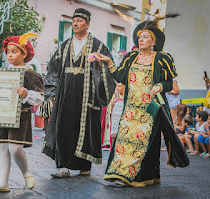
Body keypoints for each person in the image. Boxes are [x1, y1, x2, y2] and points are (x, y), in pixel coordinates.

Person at [88, 14, 189, 187]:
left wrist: (159, 86)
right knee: (124, 141)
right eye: (140, 37)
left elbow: (168, 82)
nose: (141, 40)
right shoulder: (131, 57)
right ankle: (120, 173)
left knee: (144, 143)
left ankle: (141, 177)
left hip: (151, 108)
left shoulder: (162, 58)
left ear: (153, 41)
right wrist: (109, 61)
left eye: (146, 37)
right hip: (131, 108)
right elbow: (120, 76)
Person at [42, 8, 116, 178]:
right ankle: (63, 166)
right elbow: (52, 70)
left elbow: (107, 68)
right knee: (63, 127)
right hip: (65, 93)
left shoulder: (98, 46)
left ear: (87, 24)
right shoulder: (65, 45)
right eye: (73, 20)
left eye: (79, 21)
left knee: (85, 128)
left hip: (87, 96)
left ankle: (84, 166)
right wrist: (52, 93)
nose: (75, 23)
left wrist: (99, 63)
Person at [0, 32, 44, 193]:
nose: (10, 55)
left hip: (20, 116)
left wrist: (27, 94)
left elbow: (39, 98)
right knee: (3, 147)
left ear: (24, 53)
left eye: (14, 51)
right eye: (8, 51)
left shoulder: (30, 74)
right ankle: (3, 183)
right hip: (2, 113)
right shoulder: (2, 73)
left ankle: (26, 173)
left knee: (15, 148)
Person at [102, 83, 125, 150]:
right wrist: (111, 105)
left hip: (122, 120)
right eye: (117, 86)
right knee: (113, 135)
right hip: (115, 120)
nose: (117, 88)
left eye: (119, 86)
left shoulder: (126, 97)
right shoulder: (115, 96)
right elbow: (109, 108)